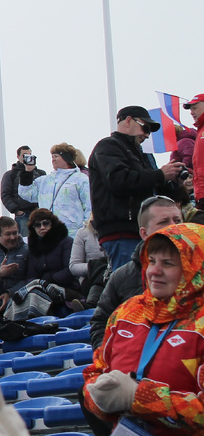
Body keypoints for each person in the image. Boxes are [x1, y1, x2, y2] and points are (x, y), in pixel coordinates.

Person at [48, 223, 204, 436]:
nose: (154, 271)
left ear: (195, 268)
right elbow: (96, 371)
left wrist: (139, 398)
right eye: (152, 261)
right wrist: (100, 399)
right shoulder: (129, 311)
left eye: (168, 264)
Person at [89, 106, 183, 271]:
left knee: (145, 287)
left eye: (150, 131)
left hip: (142, 231)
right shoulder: (108, 146)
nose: (147, 135)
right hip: (121, 230)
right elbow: (119, 181)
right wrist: (160, 175)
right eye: (145, 127)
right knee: (129, 286)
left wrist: (171, 180)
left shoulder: (142, 154)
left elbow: (152, 189)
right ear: (128, 120)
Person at [89, 196, 185, 349]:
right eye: (164, 222)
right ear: (144, 233)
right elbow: (101, 323)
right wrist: (110, 356)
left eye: (177, 221)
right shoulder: (121, 278)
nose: (173, 227)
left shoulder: (199, 270)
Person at [18, 143, 92, 234]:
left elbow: (89, 205)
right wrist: (28, 171)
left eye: (56, 156)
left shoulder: (81, 179)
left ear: (66, 158)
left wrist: (86, 228)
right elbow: (26, 193)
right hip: (48, 233)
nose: (53, 159)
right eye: (52, 156)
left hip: (72, 233)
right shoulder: (45, 180)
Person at [25, 208, 77, 298]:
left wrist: (50, 280)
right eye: (37, 225)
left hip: (67, 287)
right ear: (33, 228)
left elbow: (70, 270)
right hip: (41, 288)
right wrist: (40, 284)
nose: (42, 227)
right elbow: (31, 275)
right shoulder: (33, 247)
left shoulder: (66, 242)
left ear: (52, 223)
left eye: (45, 223)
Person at [1, 145, 45, 239]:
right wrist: (16, 210)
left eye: (29, 155)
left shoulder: (40, 174)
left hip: (38, 213)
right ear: (18, 156)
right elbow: (5, 195)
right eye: (25, 155)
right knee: (26, 242)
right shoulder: (11, 175)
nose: (27, 157)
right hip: (23, 215)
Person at [184, 94, 204, 207]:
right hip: (200, 194)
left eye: (195, 108)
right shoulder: (200, 131)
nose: (191, 112)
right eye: (190, 109)